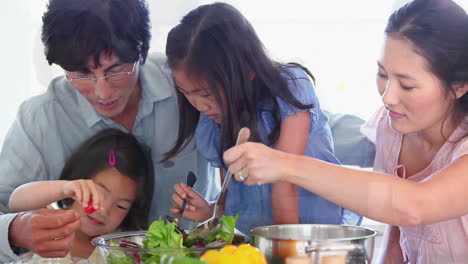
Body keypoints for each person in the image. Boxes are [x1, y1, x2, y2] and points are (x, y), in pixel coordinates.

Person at [224, 0, 468, 263]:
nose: (388, 98)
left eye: (407, 85)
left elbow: (412, 207)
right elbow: (397, 236)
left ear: (459, 86)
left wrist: (285, 164)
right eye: (382, 74)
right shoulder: (394, 127)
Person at [0, 0, 217, 262]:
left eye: (116, 71)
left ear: (141, 52)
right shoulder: (40, 120)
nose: (102, 92)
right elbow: (7, 202)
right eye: (82, 74)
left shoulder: (184, 84)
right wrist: (14, 230)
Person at [164, 2, 360, 234]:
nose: (199, 105)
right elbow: (232, 199)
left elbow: (284, 181)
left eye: (206, 94)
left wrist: (285, 253)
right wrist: (210, 211)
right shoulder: (212, 123)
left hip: (313, 237)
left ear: (247, 71)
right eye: (186, 93)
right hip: (257, 243)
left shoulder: (290, 89)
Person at [8, 129, 154, 262]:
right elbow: (16, 202)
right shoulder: (51, 222)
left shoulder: (122, 248)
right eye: (98, 194)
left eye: (121, 206)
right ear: (78, 182)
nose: (103, 210)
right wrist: (64, 188)